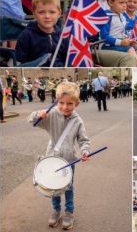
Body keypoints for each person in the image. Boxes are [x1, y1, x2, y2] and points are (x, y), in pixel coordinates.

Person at [28, 82, 90, 230]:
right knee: (53, 186)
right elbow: (32, 121)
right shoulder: (51, 114)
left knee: (68, 187)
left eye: (70, 103)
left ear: (77, 103)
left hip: (68, 160)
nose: (65, 107)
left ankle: (69, 212)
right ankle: (56, 210)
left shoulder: (77, 121)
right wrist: (38, 115)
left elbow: (83, 141)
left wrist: (85, 151)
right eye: (61, 103)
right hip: (51, 159)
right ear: (56, 101)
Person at [15, 0, 68, 67]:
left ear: (59, 13)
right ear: (34, 13)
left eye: (52, 12)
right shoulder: (26, 35)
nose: (47, 16)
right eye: (41, 12)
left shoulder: (63, 37)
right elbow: (20, 62)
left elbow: (66, 61)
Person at [100, 0, 137, 66]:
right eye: (121, 3)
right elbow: (104, 37)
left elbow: (120, 34)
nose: (125, 5)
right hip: (107, 46)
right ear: (111, 3)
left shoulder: (121, 16)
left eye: (126, 2)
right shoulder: (106, 16)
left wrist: (128, 41)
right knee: (130, 50)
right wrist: (121, 42)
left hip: (117, 45)